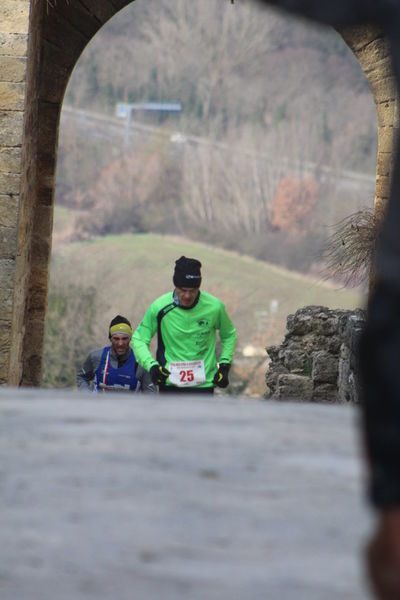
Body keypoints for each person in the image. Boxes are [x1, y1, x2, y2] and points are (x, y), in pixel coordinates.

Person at [131, 256, 236, 393]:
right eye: (183, 290)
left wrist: (224, 365)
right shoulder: (159, 307)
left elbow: (229, 335)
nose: (187, 295)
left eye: (192, 290)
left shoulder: (215, 307)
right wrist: (152, 366)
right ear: (175, 286)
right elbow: (139, 339)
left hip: (203, 385)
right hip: (170, 384)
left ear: (199, 287)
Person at [77, 315, 155, 393]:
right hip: (100, 405)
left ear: (130, 338)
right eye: (116, 339)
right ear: (110, 338)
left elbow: (151, 395)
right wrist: (88, 397)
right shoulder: (97, 357)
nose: (120, 343)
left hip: (130, 405)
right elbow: (82, 377)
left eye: (124, 338)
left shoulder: (141, 362)